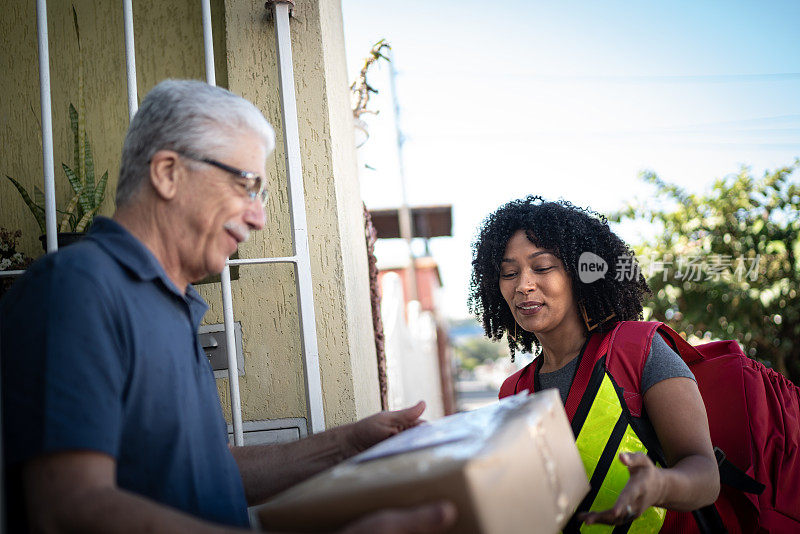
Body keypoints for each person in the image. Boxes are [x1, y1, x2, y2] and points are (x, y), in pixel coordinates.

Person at [0, 80, 456, 533]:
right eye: (245, 185)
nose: (258, 217)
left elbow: (207, 473)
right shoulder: (76, 289)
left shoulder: (172, 302)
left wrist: (347, 445)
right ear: (167, 173)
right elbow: (69, 510)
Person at [468, 196, 720, 532]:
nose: (523, 285)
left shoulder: (638, 350)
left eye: (542, 267)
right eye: (509, 273)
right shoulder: (513, 392)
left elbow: (705, 476)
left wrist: (659, 484)